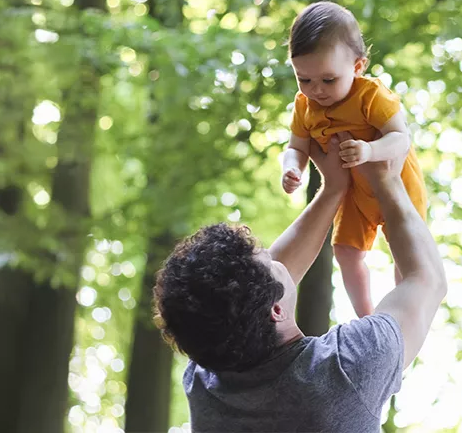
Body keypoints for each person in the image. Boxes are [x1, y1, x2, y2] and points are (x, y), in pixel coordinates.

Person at [153, 134, 446, 432]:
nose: (275, 256)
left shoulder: (207, 379)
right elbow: (427, 280)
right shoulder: (346, 369)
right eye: (269, 260)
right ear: (276, 311)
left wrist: (333, 189)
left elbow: (254, 298)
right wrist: (384, 177)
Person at [280, 1, 428, 318]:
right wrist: (292, 168)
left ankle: (406, 316)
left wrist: (369, 150)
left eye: (328, 80)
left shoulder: (370, 95)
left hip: (398, 186)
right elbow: (297, 147)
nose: (315, 90)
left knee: (407, 253)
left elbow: (401, 138)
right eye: (303, 79)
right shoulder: (304, 106)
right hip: (353, 195)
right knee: (345, 252)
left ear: (358, 66)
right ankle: (367, 317)